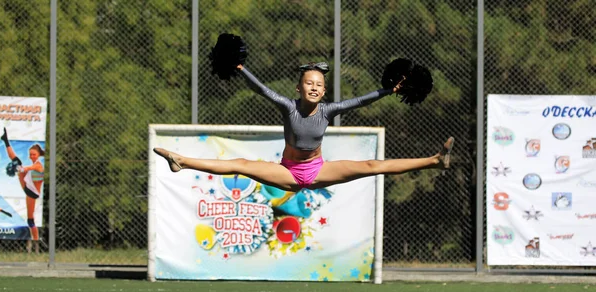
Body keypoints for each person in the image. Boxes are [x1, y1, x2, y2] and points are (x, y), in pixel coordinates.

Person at [154, 61, 454, 192]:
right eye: (308, 83)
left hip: (318, 169)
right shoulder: (288, 106)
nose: (313, 87)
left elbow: (362, 101)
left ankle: (434, 161)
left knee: (373, 164)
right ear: (299, 88)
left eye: (319, 84)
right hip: (287, 171)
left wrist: (390, 90)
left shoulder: (329, 110)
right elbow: (262, 90)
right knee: (242, 164)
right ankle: (181, 161)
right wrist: (240, 68)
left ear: (324, 91)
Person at [0, 128, 45, 241]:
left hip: (31, 192)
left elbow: (31, 168)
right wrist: (19, 168)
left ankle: (36, 241)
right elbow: (27, 168)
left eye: (34, 154)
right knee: (17, 162)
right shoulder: (34, 163)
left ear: (39, 154)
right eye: (30, 154)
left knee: (30, 220)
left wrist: (20, 169)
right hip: (28, 187)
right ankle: (5, 140)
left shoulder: (39, 165)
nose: (32, 156)